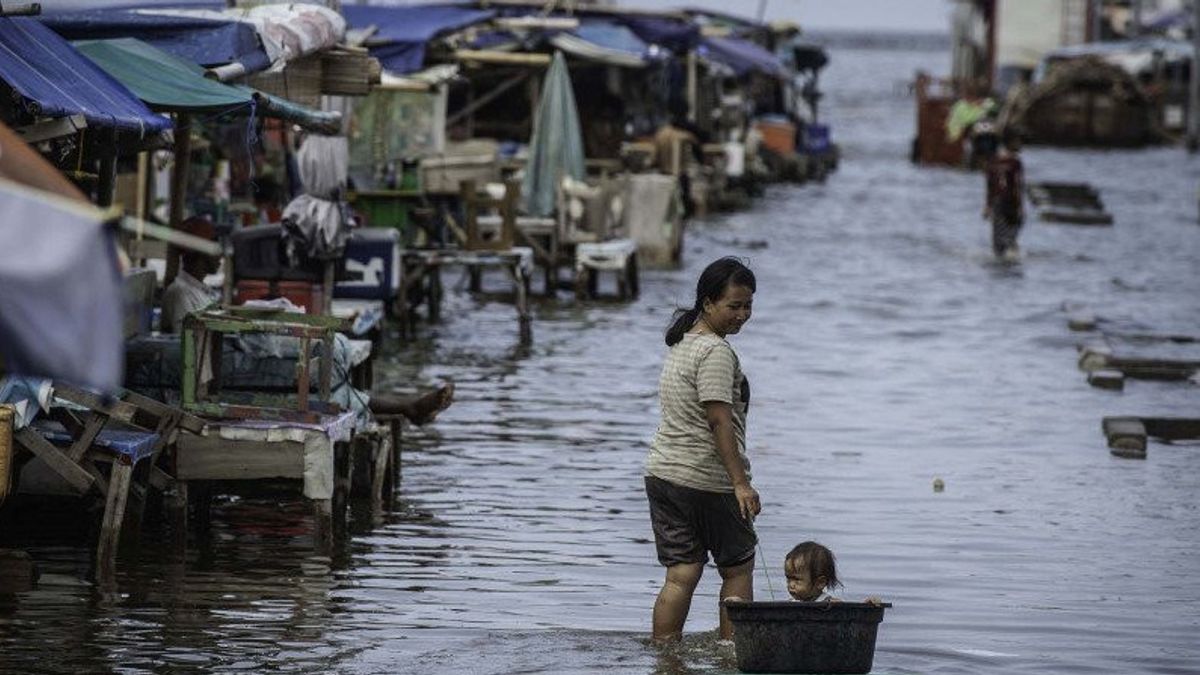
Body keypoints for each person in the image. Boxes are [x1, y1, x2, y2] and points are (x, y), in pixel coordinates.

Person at [158, 217, 453, 426]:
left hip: (231, 358)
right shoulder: (180, 293)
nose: (220, 254)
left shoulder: (198, 289)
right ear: (199, 252)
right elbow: (195, 351)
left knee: (335, 373)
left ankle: (408, 409)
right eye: (213, 245)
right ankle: (408, 409)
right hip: (220, 373)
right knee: (326, 369)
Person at [645, 257, 760, 642]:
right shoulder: (715, 352)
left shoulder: (682, 343)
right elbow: (718, 421)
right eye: (734, 306)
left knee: (682, 573)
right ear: (708, 303)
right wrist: (740, 484)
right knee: (738, 569)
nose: (742, 314)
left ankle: (664, 656)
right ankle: (731, 655)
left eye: (748, 305)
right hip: (707, 480)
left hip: (664, 475)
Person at [784, 541, 882, 605]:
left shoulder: (830, 604)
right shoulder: (790, 605)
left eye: (797, 579)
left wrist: (867, 607)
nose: (791, 585)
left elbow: (852, 619)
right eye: (788, 578)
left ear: (820, 583)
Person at [983, 132, 1025, 259]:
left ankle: (1001, 252)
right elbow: (1018, 185)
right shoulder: (1015, 162)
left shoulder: (993, 161)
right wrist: (1020, 207)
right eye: (1017, 142)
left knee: (998, 235)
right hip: (1010, 201)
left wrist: (987, 205)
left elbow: (990, 184)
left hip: (997, 201)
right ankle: (1011, 250)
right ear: (1010, 143)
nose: (1020, 145)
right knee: (1014, 228)